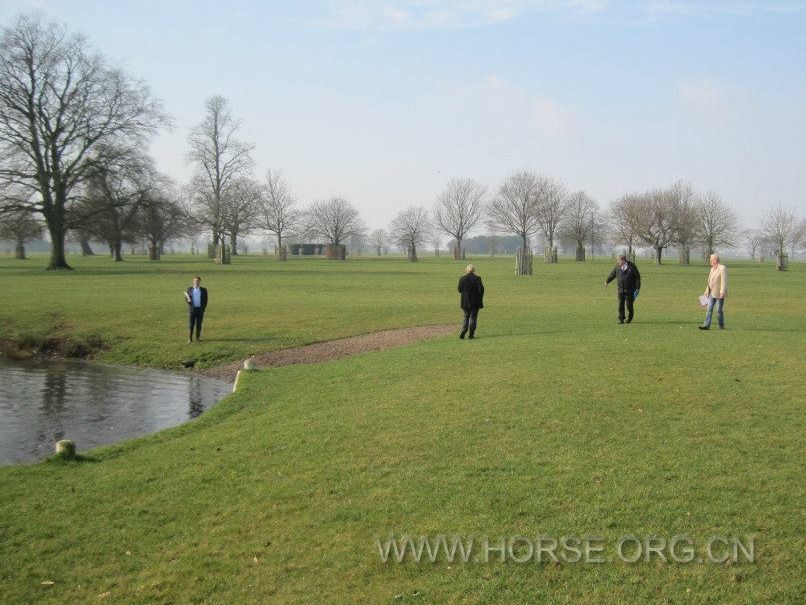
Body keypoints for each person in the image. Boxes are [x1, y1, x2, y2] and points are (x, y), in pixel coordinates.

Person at [605, 254, 641, 324]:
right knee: (620, 305)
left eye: (619, 260)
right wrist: (607, 281)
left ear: (623, 260)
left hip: (630, 290)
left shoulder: (632, 267)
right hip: (620, 290)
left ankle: (630, 317)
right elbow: (613, 274)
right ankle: (621, 319)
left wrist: (637, 288)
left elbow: (637, 278)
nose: (618, 262)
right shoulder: (617, 267)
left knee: (629, 305)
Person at [699, 254, 727, 330]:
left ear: (715, 260)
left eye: (711, 260)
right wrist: (705, 292)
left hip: (719, 293)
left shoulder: (722, 268)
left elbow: (723, 281)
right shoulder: (712, 269)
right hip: (711, 292)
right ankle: (706, 325)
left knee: (719, 310)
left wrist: (722, 292)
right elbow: (710, 282)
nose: (710, 261)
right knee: (709, 309)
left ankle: (721, 326)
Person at [458, 264, 484, 339]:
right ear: (474, 271)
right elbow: (481, 290)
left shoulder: (462, 278)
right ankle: (471, 334)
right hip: (475, 302)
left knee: (466, 316)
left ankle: (463, 330)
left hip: (465, 302)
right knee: (473, 317)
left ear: (467, 270)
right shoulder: (478, 278)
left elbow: (459, 289)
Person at [185, 275, 208, 343]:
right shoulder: (189, 289)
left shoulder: (204, 290)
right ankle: (190, 339)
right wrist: (188, 301)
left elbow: (206, 301)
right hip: (192, 310)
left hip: (200, 310)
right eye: (195, 281)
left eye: (197, 281)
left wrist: (203, 310)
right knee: (191, 325)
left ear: (200, 282)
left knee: (199, 325)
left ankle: (197, 338)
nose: (196, 282)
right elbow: (186, 298)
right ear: (193, 281)